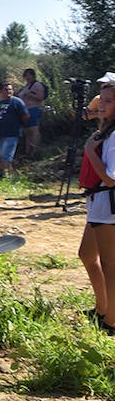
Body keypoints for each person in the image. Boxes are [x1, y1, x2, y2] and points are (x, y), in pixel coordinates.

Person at [79, 73, 115, 334]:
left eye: (108, 101)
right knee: (87, 254)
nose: (101, 105)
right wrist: (101, 102)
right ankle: (102, 308)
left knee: (110, 265)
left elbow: (112, 179)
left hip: (108, 203)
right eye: (101, 99)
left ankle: (112, 321)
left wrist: (91, 152)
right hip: (98, 203)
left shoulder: (113, 137)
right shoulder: (105, 130)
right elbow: (90, 109)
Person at [0, 81, 29, 178]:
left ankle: (8, 175)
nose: (9, 91)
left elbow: (25, 115)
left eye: (10, 89)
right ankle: (8, 174)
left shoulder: (17, 101)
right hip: (0, 133)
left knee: (6, 155)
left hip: (12, 133)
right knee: (3, 155)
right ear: (1, 91)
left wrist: (19, 125)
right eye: (6, 89)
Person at [16, 68, 48, 160]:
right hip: (25, 111)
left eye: (29, 75)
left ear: (33, 75)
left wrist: (29, 94)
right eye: (26, 75)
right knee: (27, 133)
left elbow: (40, 97)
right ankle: (28, 153)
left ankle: (34, 152)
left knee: (34, 131)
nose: (27, 77)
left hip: (34, 110)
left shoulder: (36, 85)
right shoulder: (26, 86)